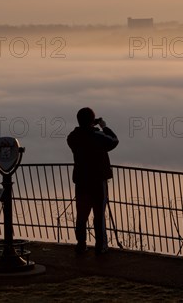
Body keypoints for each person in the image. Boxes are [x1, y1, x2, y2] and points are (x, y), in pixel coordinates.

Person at [67, 107, 119, 255]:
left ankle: (81, 245)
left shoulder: (73, 137)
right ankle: (100, 246)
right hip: (97, 181)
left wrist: (89, 126)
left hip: (81, 181)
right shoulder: (98, 136)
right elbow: (114, 141)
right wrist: (103, 126)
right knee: (98, 215)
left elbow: (80, 134)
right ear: (92, 121)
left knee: (82, 215)